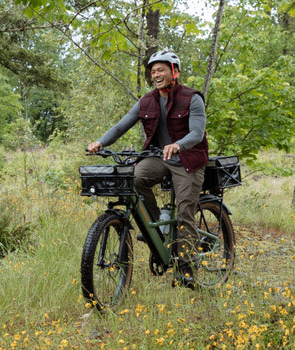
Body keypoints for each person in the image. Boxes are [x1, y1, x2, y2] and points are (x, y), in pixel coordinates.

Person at [86, 50, 208, 288]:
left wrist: (178, 145)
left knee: (185, 212)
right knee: (134, 179)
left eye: (161, 70)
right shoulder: (147, 100)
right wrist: (100, 142)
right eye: (153, 71)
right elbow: (121, 126)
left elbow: (197, 132)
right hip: (159, 157)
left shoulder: (192, 98)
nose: (156, 75)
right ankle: (156, 230)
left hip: (187, 159)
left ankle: (187, 268)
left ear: (174, 71)